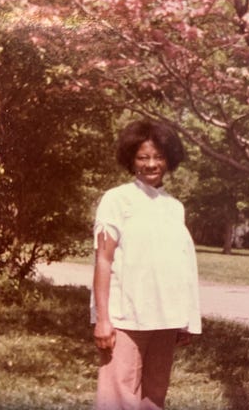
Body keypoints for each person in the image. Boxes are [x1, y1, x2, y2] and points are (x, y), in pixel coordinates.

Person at [90, 119, 201, 410]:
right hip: (125, 317)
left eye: (159, 156)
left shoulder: (174, 207)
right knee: (117, 399)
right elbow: (103, 259)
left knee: (154, 397)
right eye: (143, 157)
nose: (151, 164)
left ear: (170, 159)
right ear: (130, 159)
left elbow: (179, 266)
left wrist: (185, 318)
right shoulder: (116, 200)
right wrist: (103, 318)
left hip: (165, 318)